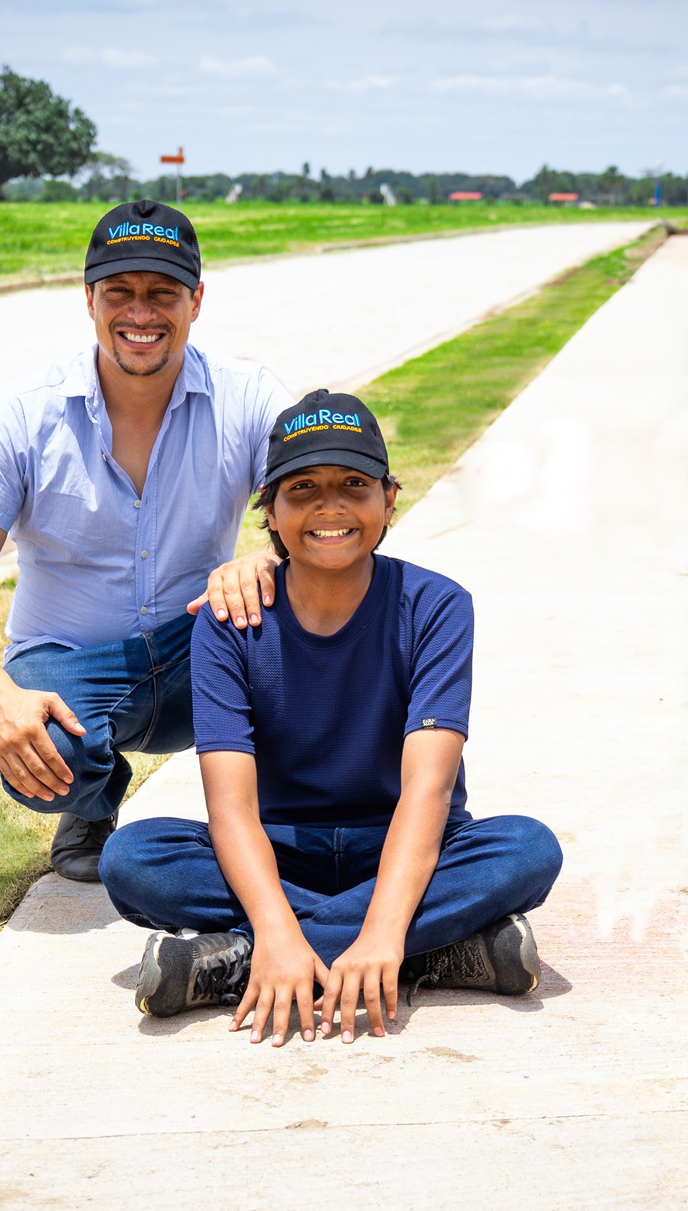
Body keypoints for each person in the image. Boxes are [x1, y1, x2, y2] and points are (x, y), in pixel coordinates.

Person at [100, 391, 563, 1044]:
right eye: (304, 488)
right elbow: (229, 808)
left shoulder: (436, 607)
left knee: (527, 849)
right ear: (270, 509)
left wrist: (376, 930)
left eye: (354, 484)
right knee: (133, 859)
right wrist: (280, 922)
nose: (331, 507)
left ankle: (235, 962)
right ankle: (428, 954)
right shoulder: (228, 622)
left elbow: (428, 790)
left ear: (389, 497)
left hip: (400, 845)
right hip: (278, 851)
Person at [0, 200, 287, 882]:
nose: (141, 314)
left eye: (162, 294)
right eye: (120, 293)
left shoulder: (247, 397)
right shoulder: (27, 414)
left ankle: (292, 815)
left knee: (307, 621)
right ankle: (90, 798)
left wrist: (269, 555)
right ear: (88, 299)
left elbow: (334, 506)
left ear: (196, 299)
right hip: (70, 664)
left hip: (195, 646)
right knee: (44, 749)